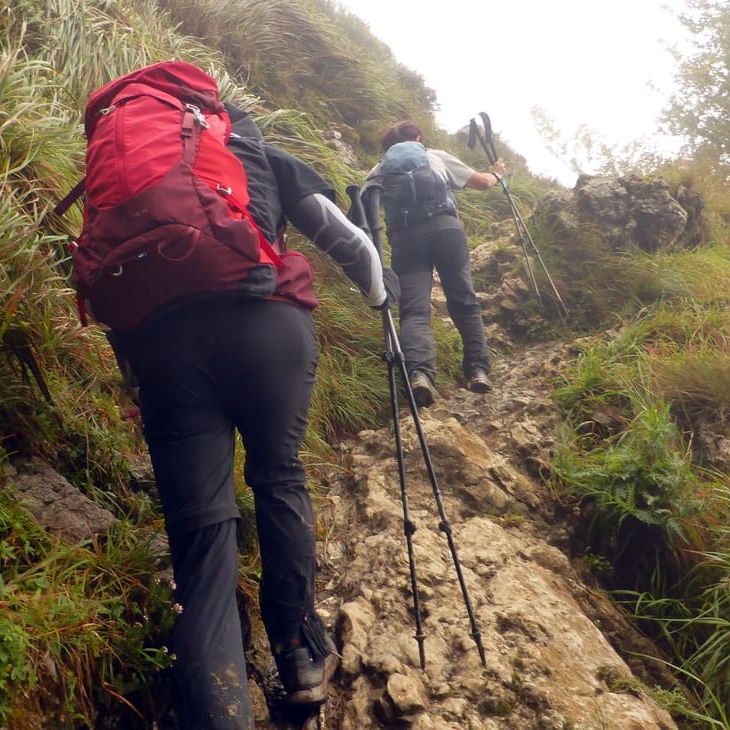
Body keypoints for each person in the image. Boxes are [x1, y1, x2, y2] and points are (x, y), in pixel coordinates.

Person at [118, 103, 398, 728]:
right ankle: (298, 655)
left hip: (165, 347)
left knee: (200, 532)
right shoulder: (259, 155)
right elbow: (349, 243)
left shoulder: (136, 171)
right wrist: (382, 295)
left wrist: (143, 376)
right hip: (268, 328)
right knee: (278, 476)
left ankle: (220, 708)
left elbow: (112, 277)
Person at [363, 120, 504, 408]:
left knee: (414, 311)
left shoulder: (379, 170)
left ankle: (420, 375)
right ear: (418, 138)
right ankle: (477, 370)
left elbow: (363, 211)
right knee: (464, 301)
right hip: (446, 232)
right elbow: (483, 183)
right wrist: (497, 173)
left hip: (406, 241)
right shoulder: (435, 157)